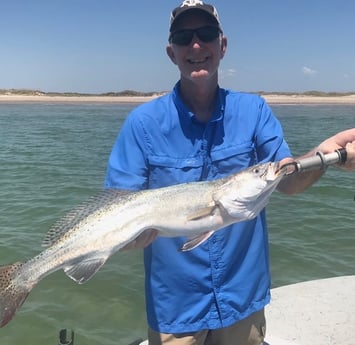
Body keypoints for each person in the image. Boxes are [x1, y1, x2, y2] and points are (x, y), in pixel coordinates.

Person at [104, 1, 355, 344]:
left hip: (243, 297)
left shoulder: (254, 110)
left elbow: (287, 179)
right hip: (175, 307)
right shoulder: (142, 124)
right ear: (171, 52)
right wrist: (127, 240)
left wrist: (325, 157)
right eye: (183, 37)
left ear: (221, 46)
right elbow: (115, 208)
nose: (196, 45)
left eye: (206, 34)